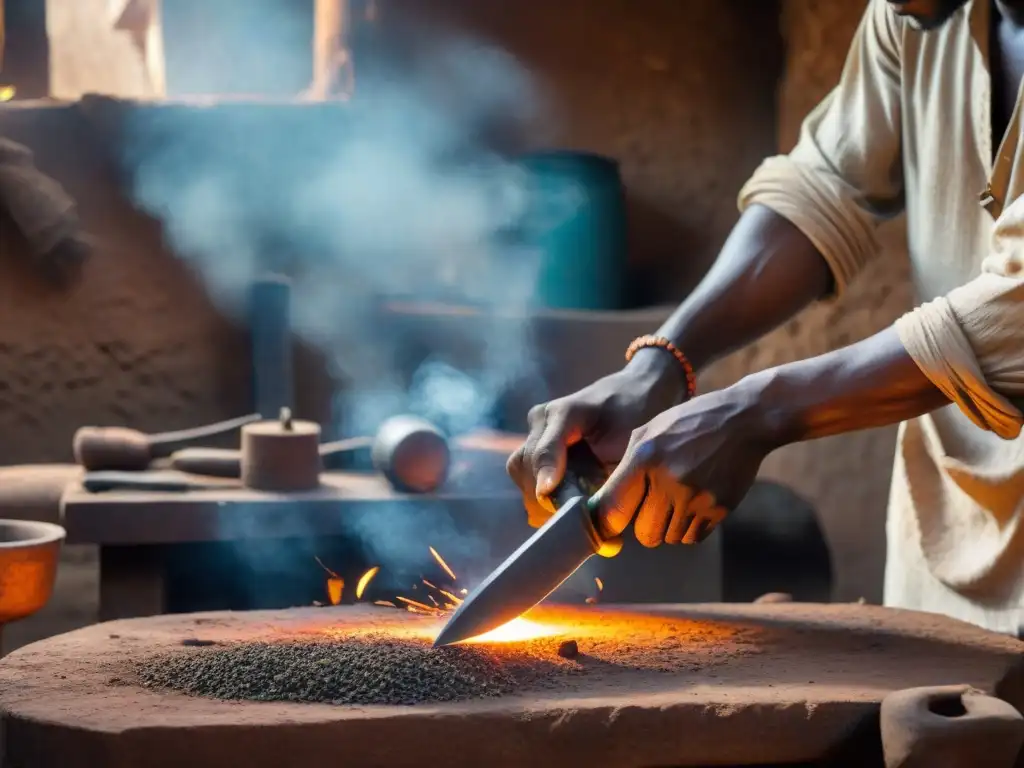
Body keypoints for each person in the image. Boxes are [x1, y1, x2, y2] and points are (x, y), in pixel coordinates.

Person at [507, 0, 1024, 635]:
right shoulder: (912, 13)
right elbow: (823, 187)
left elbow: (1014, 309)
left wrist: (755, 412)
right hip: (946, 542)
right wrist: (660, 364)